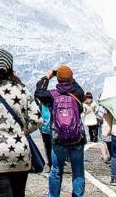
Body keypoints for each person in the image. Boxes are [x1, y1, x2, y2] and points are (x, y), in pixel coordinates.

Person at [0, 49, 42, 197]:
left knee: (3, 193)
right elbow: (37, 119)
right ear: (9, 67)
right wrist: (24, 131)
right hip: (20, 150)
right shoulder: (22, 90)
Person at [35, 66, 87, 197]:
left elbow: (38, 92)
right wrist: (69, 78)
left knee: (56, 171)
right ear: (71, 78)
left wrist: (47, 77)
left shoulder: (51, 95)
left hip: (59, 139)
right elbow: (79, 89)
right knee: (78, 171)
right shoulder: (78, 94)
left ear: (58, 79)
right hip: (77, 138)